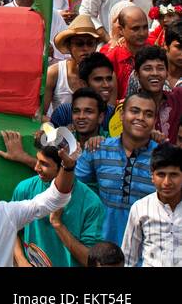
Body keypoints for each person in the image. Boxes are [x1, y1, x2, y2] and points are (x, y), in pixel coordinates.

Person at [75, 94, 159, 244]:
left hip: (147, 249)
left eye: (148, 114)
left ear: (155, 121)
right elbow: (71, 185)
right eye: (134, 111)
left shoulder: (164, 157)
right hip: (102, 247)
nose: (141, 117)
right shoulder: (98, 149)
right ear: (121, 115)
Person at [11, 137, 106, 268]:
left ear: (64, 165)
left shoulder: (91, 203)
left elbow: (90, 261)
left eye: (44, 164)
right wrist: (21, 260)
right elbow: (11, 229)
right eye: (37, 160)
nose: (36, 167)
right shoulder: (25, 189)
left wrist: (58, 225)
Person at [121, 142, 182, 267]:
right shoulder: (140, 209)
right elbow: (128, 258)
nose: (167, 182)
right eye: (161, 174)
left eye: (174, 175)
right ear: (152, 176)